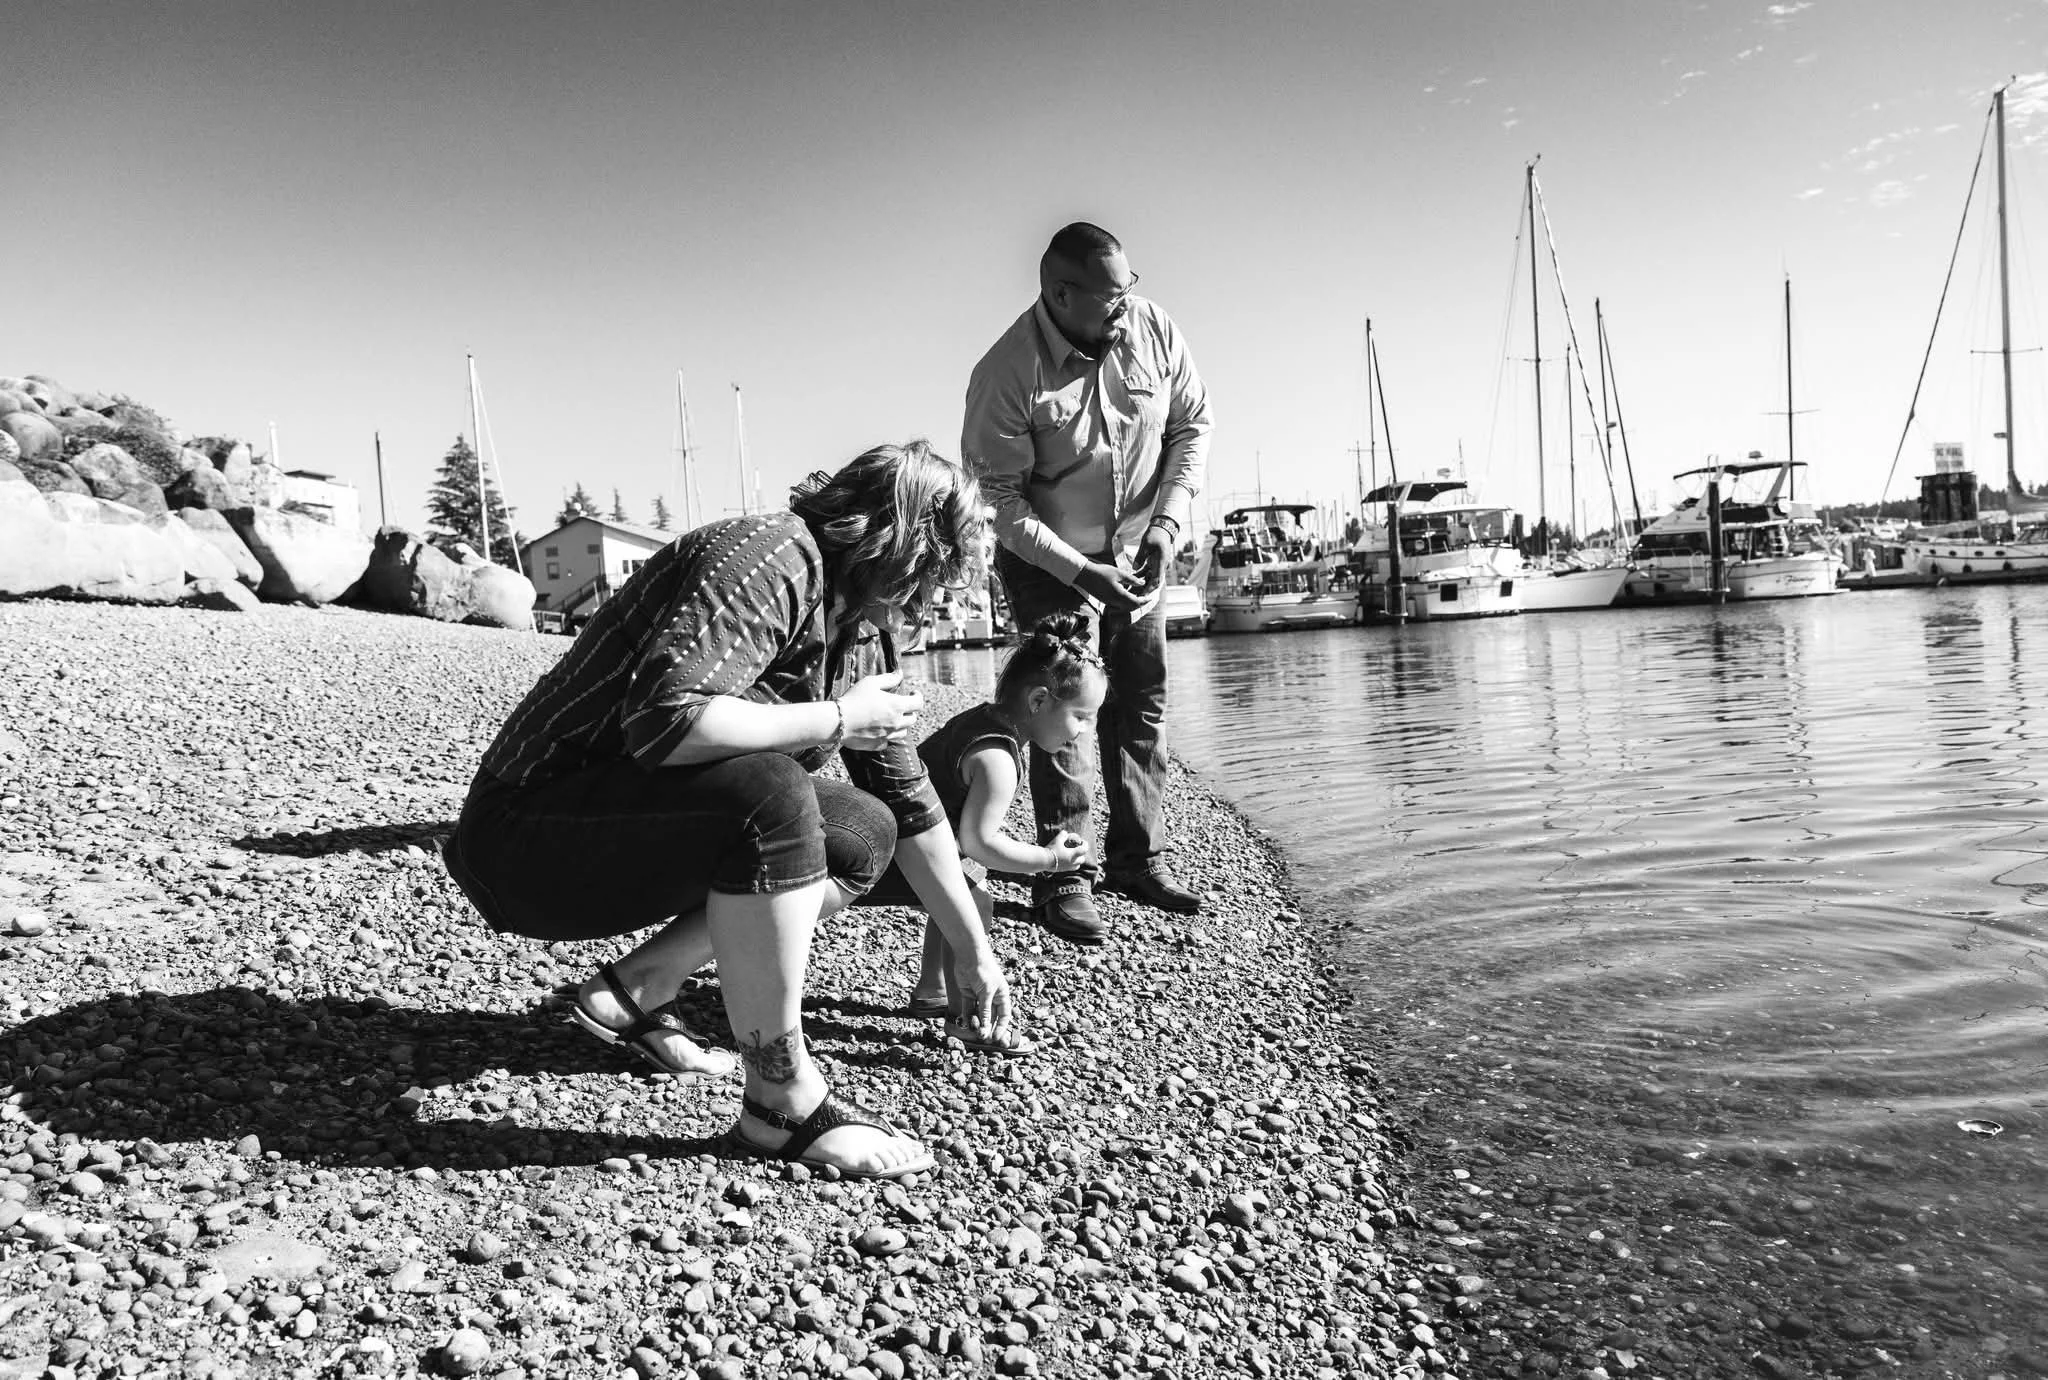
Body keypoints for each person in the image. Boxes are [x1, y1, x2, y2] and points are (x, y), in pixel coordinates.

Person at [443, 441, 1011, 1181]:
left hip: (617, 828)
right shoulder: (768, 555)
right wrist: (837, 717)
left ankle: (635, 991)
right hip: (523, 839)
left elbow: (907, 802)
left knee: (860, 828)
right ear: (897, 543)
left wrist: (974, 952)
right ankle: (782, 1104)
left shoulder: (859, 627)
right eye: (932, 580)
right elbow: (667, 722)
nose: (933, 604)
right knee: (773, 793)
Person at [962, 221, 1214, 942]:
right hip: (1051, 563)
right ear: (1059, 293)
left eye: (1129, 289)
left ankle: (1139, 859)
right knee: (1064, 715)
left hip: (1142, 551)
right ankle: (1064, 875)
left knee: (1141, 700)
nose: (1125, 307)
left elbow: (1192, 425)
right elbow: (998, 503)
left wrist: (1165, 528)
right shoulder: (1006, 371)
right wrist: (1080, 572)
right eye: (1110, 297)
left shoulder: (1154, 327)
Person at [858, 614, 1108, 1048]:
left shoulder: (983, 721)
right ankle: (967, 1020)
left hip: (899, 839)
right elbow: (981, 843)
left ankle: (932, 990)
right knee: (974, 902)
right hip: (888, 854)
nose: (1087, 729)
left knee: (967, 877)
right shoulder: (998, 759)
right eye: (1081, 716)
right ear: (1038, 702)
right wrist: (1050, 860)